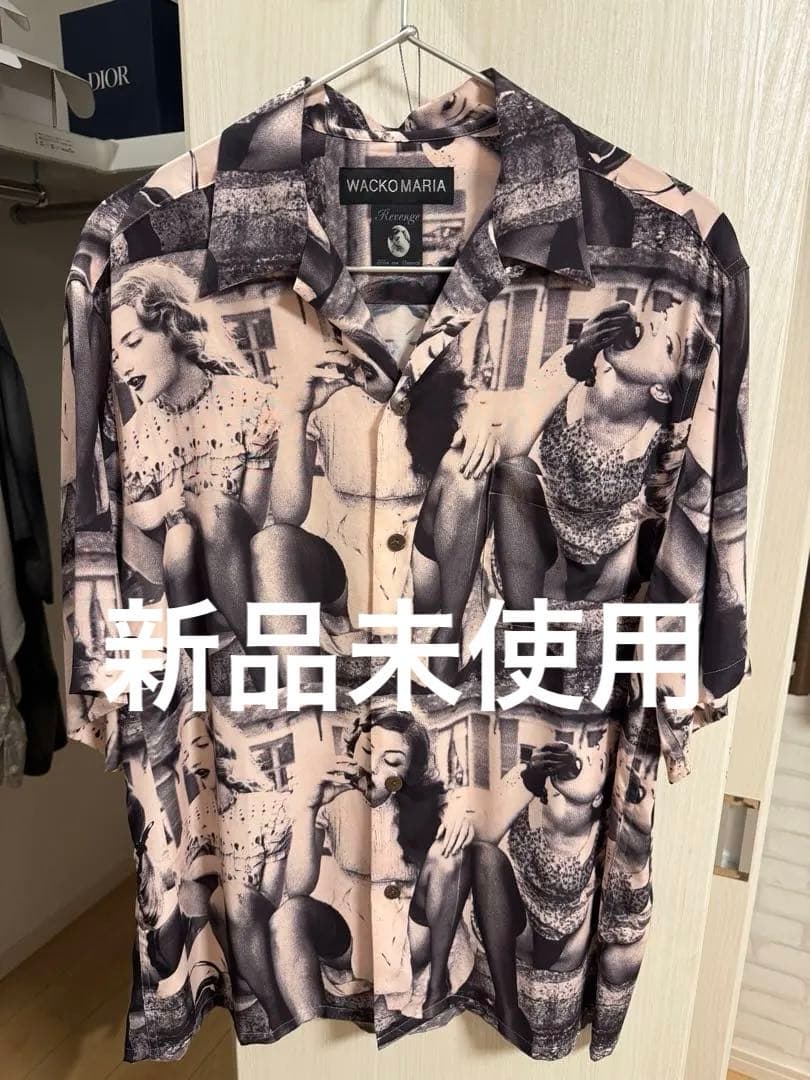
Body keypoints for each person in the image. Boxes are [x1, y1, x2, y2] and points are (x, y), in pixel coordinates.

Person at [269, 708, 476, 1023]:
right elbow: (297, 888)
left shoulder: (427, 802)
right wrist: (309, 808)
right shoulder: (331, 796)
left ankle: (436, 986)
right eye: (367, 750)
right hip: (354, 929)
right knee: (288, 917)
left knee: (450, 856)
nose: (373, 767)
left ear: (409, 773)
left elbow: (461, 820)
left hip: (412, 931)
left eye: (391, 762)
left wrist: (461, 815)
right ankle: (309, 1028)